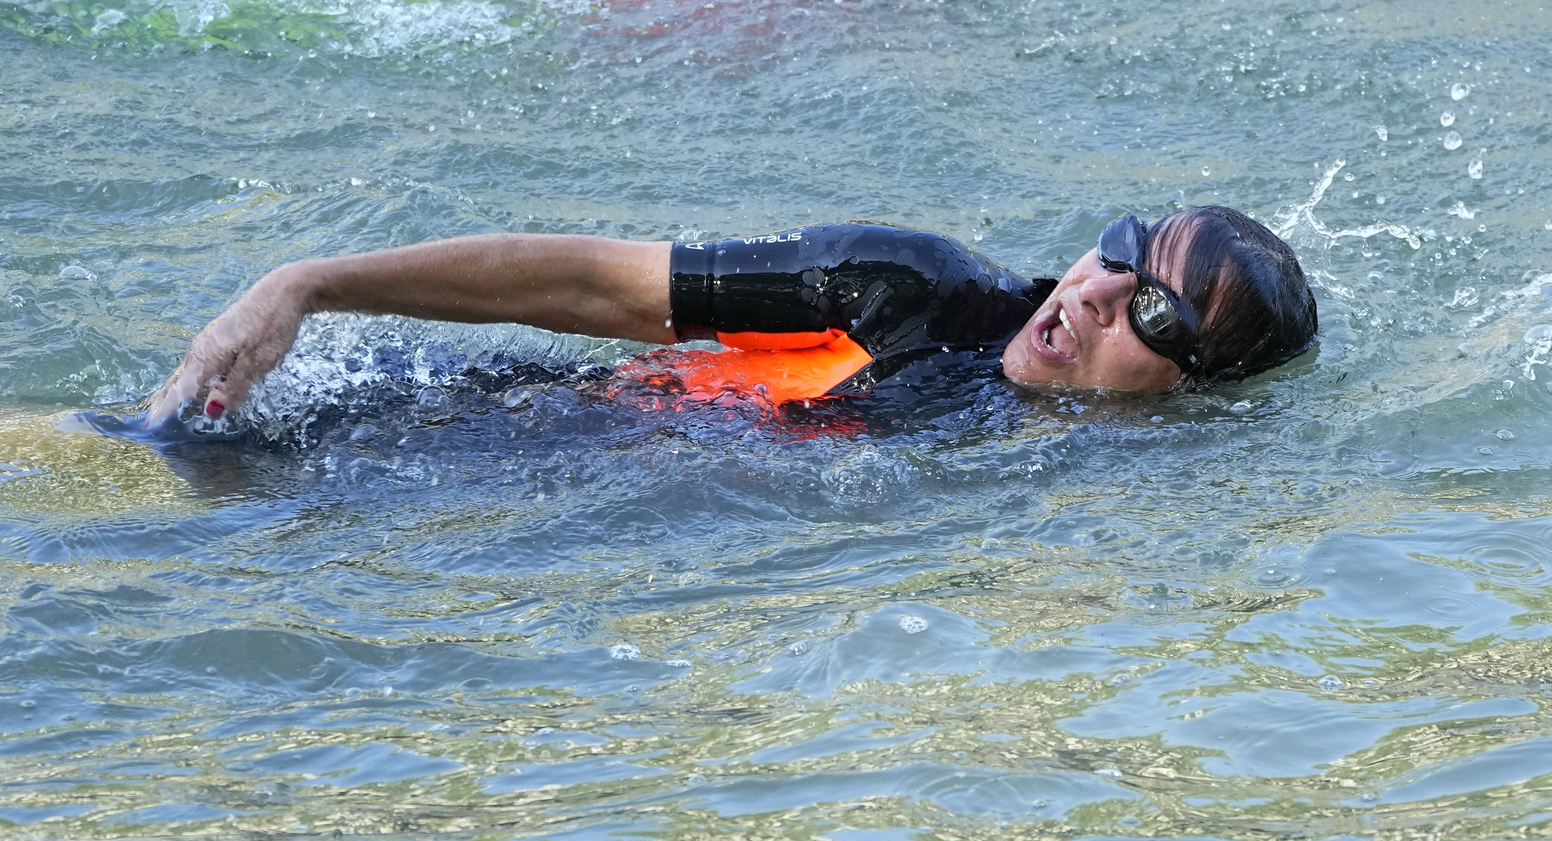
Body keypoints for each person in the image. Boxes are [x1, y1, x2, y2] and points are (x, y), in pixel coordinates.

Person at [139, 207, 1318, 432]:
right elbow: (599, 285)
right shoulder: (901, 288)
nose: (1095, 295)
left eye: (1152, 312)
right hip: (450, 433)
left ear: (1190, 389)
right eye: (1118, 253)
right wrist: (307, 282)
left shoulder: (1111, 498)